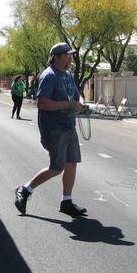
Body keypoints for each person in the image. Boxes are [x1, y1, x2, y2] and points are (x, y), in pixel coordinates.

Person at [15, 42, 87, 217]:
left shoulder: (68, 74)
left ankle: (66, 201)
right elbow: (42, 103)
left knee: (71, 163)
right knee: (57, 167)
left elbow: (77, 95)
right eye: (67, 55)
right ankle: (25, 190)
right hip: (54, 129)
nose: (70, 58)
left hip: (69, 127)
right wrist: (69, 104)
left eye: (70, 55)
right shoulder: (49, 76)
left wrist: (81, 104)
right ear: (56, 57)